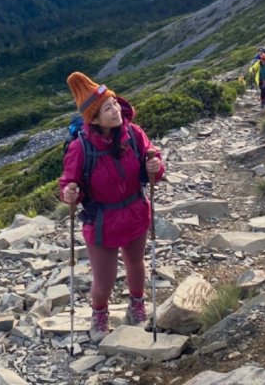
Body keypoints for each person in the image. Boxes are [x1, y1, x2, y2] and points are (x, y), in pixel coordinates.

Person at [60, 72, 164, 342]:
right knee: (104, 280)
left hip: (134, 212)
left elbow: (153, 161)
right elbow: (69, 182)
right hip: (101, 220)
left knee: (136, 264)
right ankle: (99, 313)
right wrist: (69, 193)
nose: (116, 109)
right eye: (108, 107)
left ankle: (137, 305)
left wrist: (156, 166)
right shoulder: (80, 148)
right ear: (93, 118)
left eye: (115, 103)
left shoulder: (133, 133)